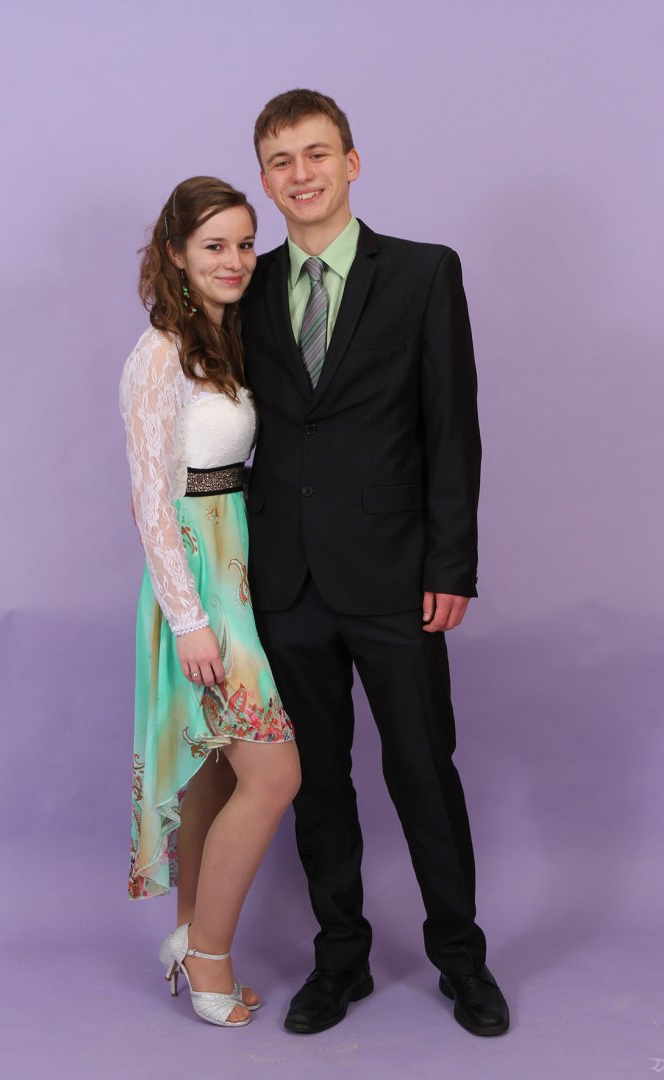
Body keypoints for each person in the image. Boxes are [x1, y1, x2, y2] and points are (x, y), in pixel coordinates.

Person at [241, 90, 509, 1037]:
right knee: (317, 782)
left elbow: (452, 428)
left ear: (352, 162)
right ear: (264, 179)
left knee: (422, 772)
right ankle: (340, 959)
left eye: (317, 153)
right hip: (285, 582)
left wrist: (452, 564)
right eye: (281, 160)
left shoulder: (424, 273)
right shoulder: (245, 287)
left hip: (397, 576)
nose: (301, 174)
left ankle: (462, 961)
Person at [119, 177, 300, 1029]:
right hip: (200, 589)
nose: (235, 260)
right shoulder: (159, 353)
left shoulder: (224, 342)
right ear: (177, 255)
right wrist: (190, 621)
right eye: (215, 246)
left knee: (216, 774)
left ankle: (190, 932)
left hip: (241, 570)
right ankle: (209, 958)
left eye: (245, 243)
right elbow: (151, 501)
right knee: (274, 773)